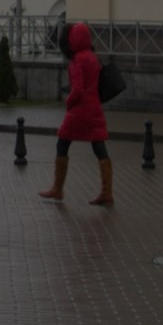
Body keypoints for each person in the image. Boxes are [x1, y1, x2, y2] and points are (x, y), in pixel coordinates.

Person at [40, 22, 112, 206]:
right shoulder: (92, 57)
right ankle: (107, 191)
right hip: (94, 108)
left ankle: (58, 188)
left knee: (62, 142)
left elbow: (78, 90)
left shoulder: (77, 60)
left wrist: (68, 101)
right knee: (99, 146)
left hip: (79, 110)